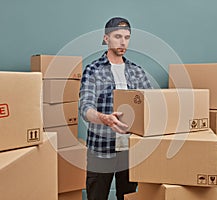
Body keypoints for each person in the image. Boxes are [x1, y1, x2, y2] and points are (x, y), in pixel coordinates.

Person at [79, 17, 152, 200]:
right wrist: (104, 118)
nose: (122, 42)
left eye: (127, 37)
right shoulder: (92, 70)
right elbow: (85, 107)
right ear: (106, 39)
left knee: (127, 197)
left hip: (129, 149)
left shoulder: (137, 71)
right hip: (100, 149)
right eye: (117, 36)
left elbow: (151, 104)